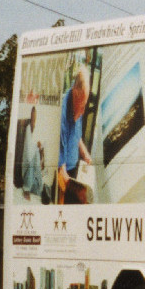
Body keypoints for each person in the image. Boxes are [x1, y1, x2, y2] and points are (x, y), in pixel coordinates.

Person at [56, 64, 93, 204]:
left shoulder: (79, 102)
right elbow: (61, 173)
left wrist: (85, 154)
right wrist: (79, 192)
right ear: (74, 91)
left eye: (85, 105)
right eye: (81, 106)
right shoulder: (62, 115)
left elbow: (76, 136)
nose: (83, 112)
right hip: (64, 180)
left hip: (74, 170)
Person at [18, 106, 45, 199]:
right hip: (29, 153)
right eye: (32, 114)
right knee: (30, 165)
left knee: (37, 167)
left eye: (35, 114)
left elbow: (42, 144)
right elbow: (28, 145)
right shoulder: (28, 127)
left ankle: (36, 190)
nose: (34, 116)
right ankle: (26, 190)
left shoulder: (40, 127)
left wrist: (40, 146)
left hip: (36, 152)